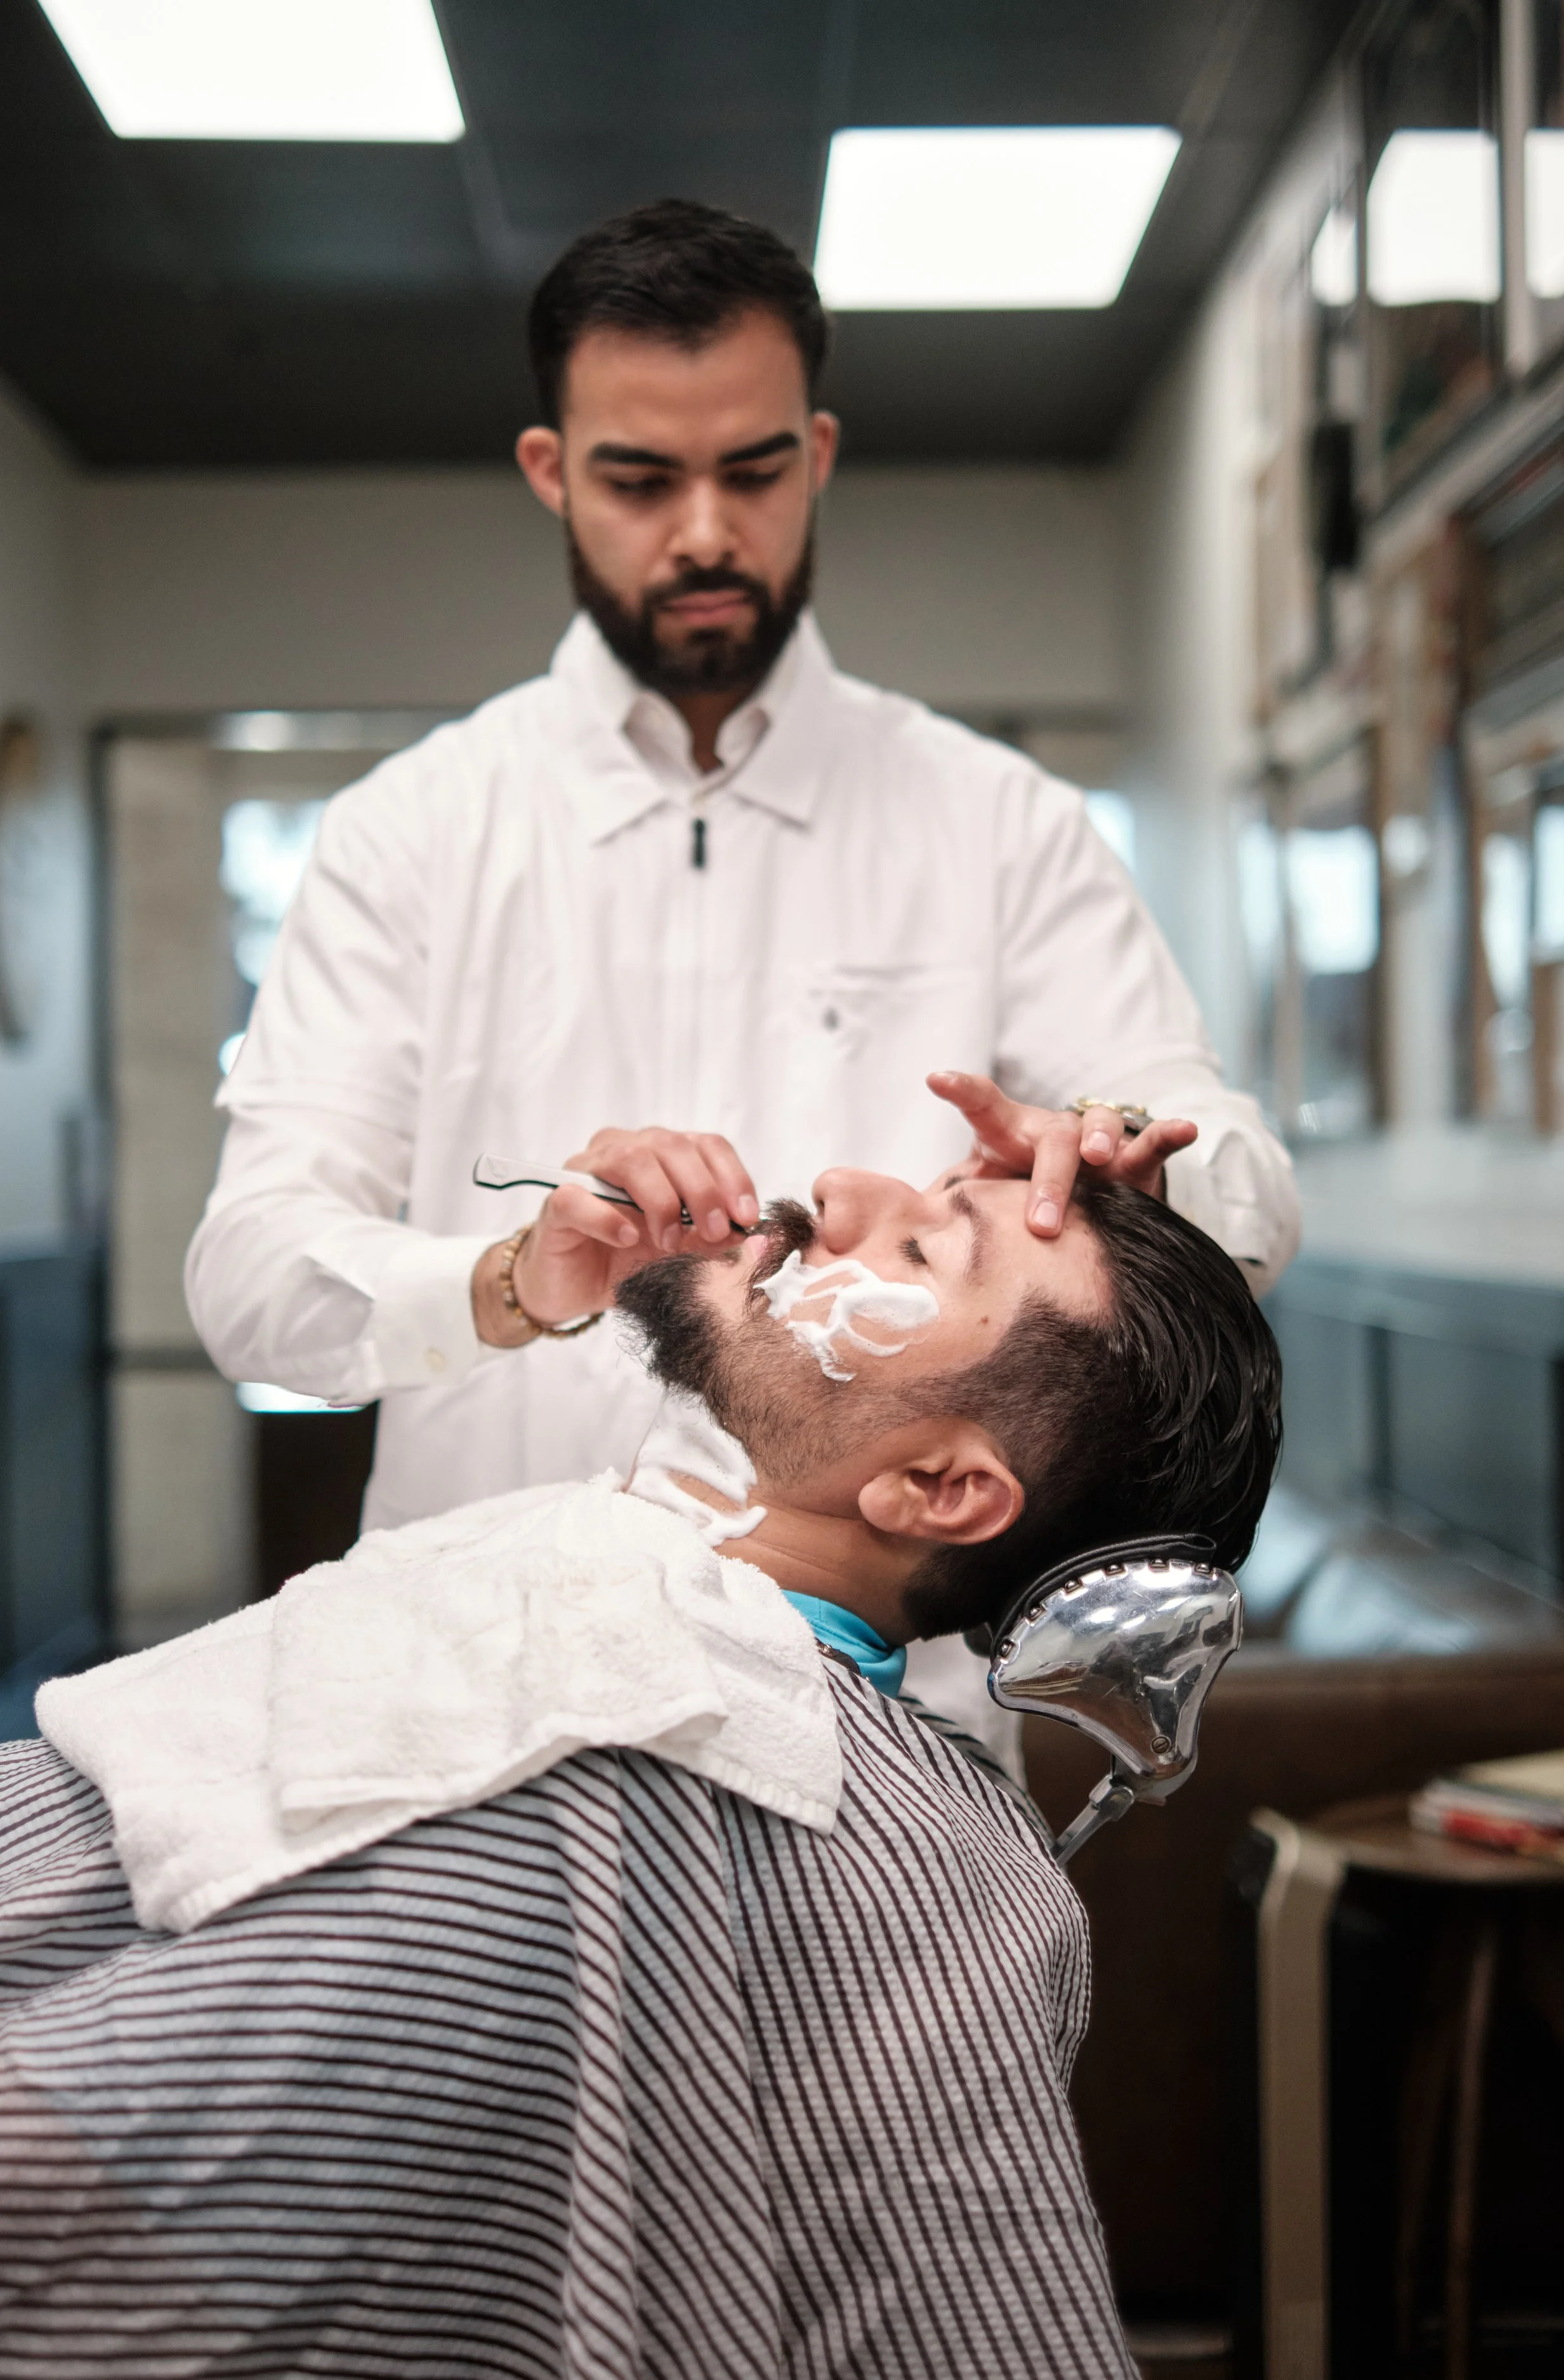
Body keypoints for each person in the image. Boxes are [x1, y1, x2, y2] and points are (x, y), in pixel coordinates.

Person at [2, 1163, 1281, 2378]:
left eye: (918, 1250)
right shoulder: (593, 1621)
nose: (835, 1187)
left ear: (936, 1488)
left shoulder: (789, 1818)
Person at [183, 198, 1298, 1555]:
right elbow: (251, 1280)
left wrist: (1140, 1169)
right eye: (641, 481)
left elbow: (1247, 1192)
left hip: (880, 1681)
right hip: (484, 1642)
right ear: (551, 471)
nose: (705, 534)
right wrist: (508, 1282)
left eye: (755, 473)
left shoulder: (999, 821)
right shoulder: (407, 831)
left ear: (817, 454)